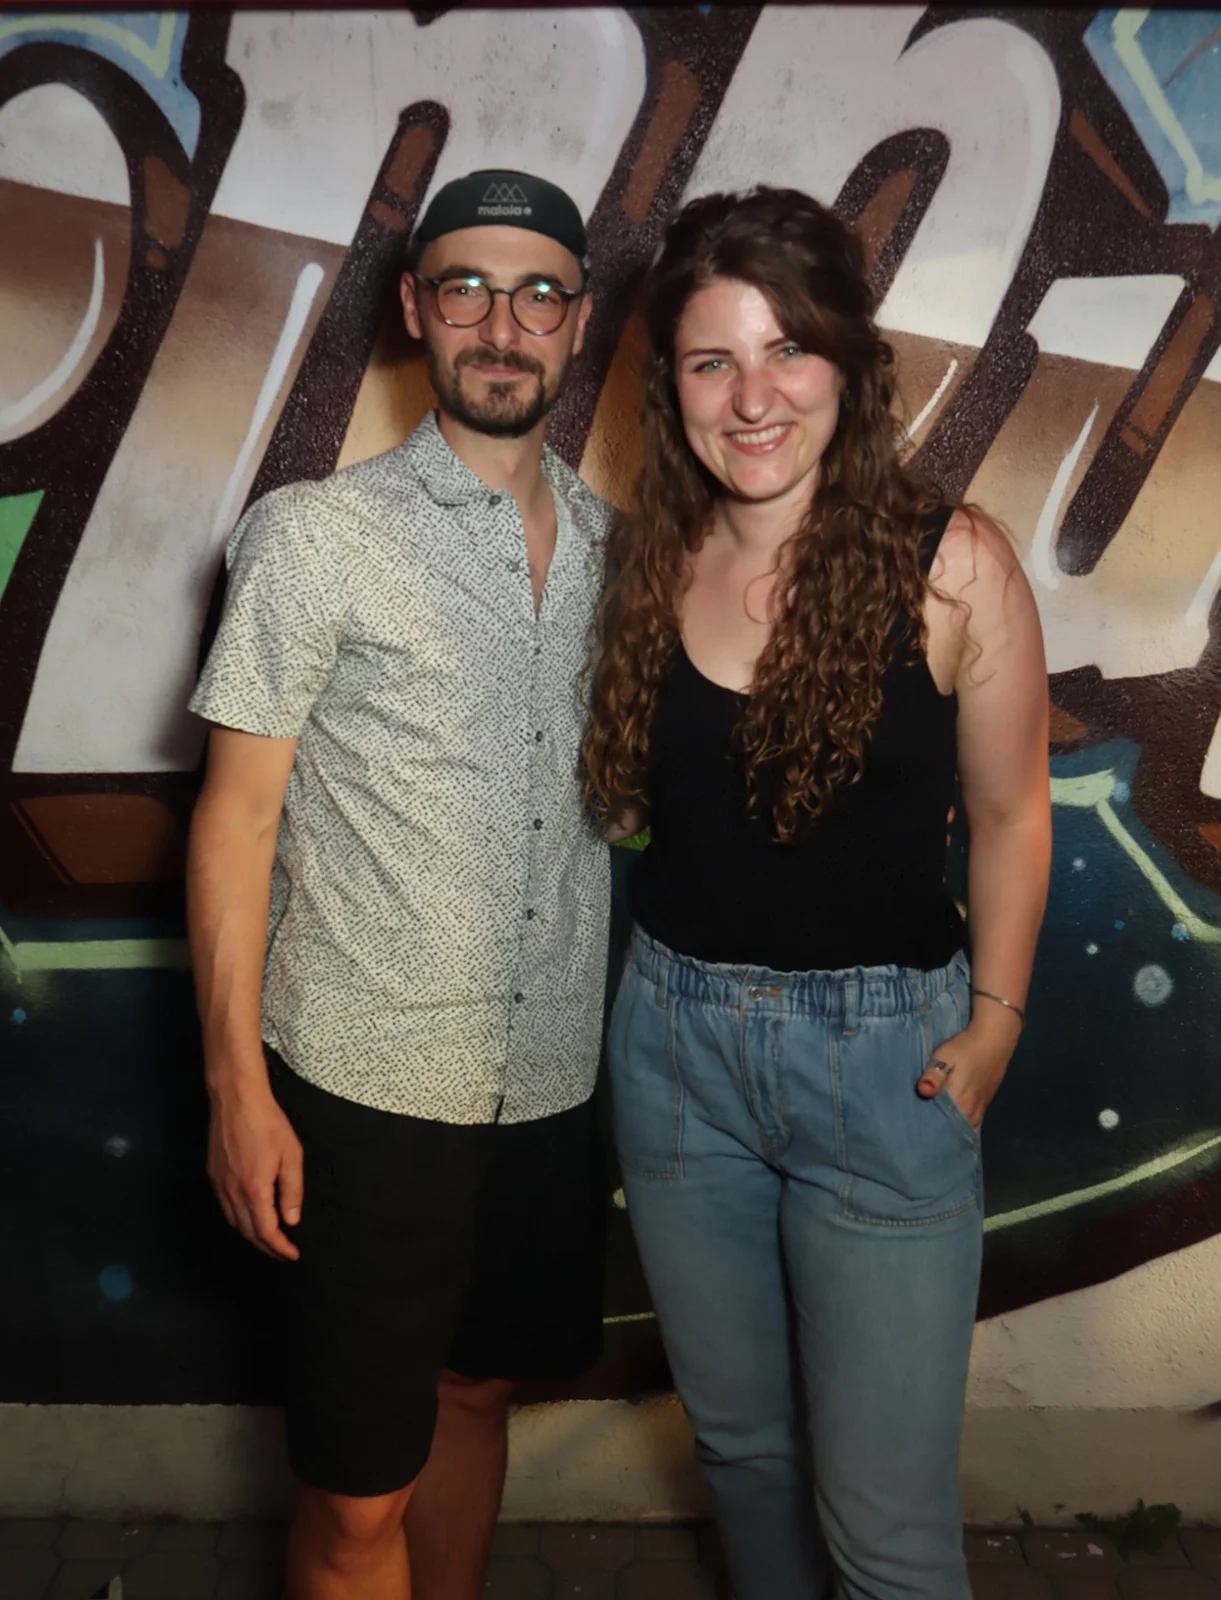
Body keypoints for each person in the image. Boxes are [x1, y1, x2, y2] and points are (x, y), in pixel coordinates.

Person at [582, 187, 1051, 1600]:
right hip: (676, 1056)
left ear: (847, 358)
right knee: (743, 1457)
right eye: (710, 360)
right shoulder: (650, 559)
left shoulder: (954, 567)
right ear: (671, 387)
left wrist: (999, 1017)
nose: (752, 397)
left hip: (886, 1070)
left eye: (787, 348)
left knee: (884, 1533)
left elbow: (1012, 812)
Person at [187, 169, 612, 1600]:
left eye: (540, 292)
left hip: (547, 1084)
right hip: (365, 1091)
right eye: (469, 287)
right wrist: (237, 1090)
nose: (505, 324)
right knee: (356, 1500)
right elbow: (234, 825)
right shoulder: (316, 536)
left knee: (478, 1398)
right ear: (418, 310)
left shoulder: (621, 553)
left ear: (578, 321)